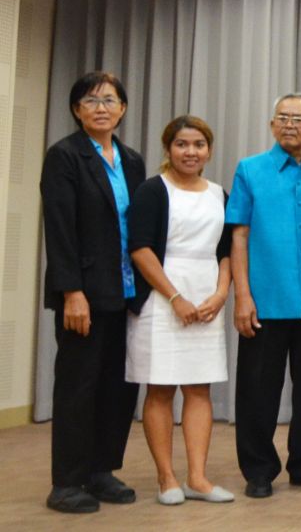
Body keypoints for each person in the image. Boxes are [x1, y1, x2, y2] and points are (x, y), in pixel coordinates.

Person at [227, 92, 301, 499]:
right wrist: (242, 295)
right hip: (265, 300)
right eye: (282, 117)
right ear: (272, 124)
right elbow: (238, 235)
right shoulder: (250, 170)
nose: (290, 124)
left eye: (299, 118)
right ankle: (258, 469)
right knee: (258, 390)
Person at [41, 72, 145, 514]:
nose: (101, 107)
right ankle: (67, 481)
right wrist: (71, 292)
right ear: (76, 109)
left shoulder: (133, 160)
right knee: (77, 389)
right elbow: (60, 229)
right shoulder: (64, 156)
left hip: (126, 293)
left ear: (123, 109)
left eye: (110, 99)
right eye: (90, 99)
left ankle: (102, 470)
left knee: (117, 388)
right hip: (84, 293)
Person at [126, 116, 234, 505]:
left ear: (209, 150)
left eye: (199, 145)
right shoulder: (153, 191)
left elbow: (226, 252)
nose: (191, 152)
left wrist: (221, 293)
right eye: (182, 145)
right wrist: (175, 298)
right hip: (162, 297)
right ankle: (166, 477)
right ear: (168, 148)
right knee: (160, 387)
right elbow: (140, 249)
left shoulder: (220, 194)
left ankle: (199, 478)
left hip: (207, 297)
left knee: (199, 387)